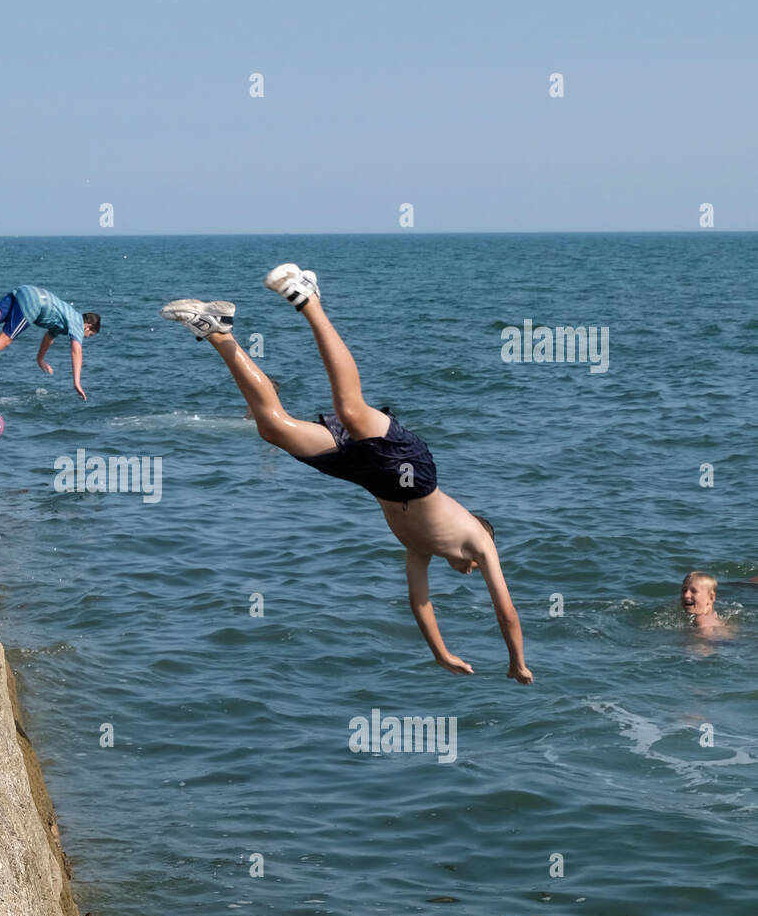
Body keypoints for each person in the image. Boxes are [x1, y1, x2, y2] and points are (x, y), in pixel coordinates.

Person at [161, 264, 533, 682]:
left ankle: (217, 331)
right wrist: (517, 662)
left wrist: (441, 654)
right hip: (413, 469)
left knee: (273, 428)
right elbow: (507, 609)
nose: (467, 572)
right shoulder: (479, 542)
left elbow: (420, 605)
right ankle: (310, 300)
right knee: (352, 411)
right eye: (471, 570)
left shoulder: (419, 548)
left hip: (370, 475)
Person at [0, 283, 99, 400]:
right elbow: (76, 351)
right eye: (90, 335)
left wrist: (40, 359)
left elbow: (49, 337)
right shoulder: (78, 324)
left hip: (26, 291)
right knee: (6, 338)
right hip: (35, 302)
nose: (85, 337)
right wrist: (77, 382)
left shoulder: (67, 317)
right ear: (88, 326)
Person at [681, 572, 731, 637]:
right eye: (684, 590)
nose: (686, 595)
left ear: (711, 597)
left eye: (694, 591)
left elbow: (706, 643)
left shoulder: (701, 620)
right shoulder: (716, 617)